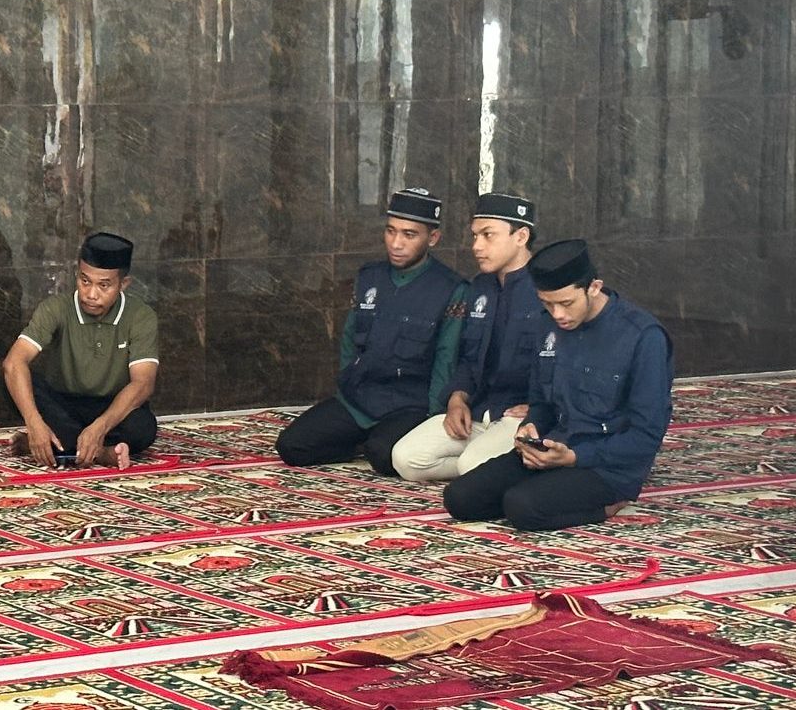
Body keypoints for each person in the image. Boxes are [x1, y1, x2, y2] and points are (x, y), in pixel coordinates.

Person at [443, 239, 674, 531]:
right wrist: (530, 428)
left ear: (594, 287)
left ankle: (608, 505)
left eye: (566, 303)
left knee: (522, 507)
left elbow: (647, 434)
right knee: (460, 498)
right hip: (554, 450)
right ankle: (547, 490)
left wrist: (575, 457)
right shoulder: (547, 325)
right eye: (547, 304)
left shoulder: (643, 336)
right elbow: (541, 402)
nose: (558, 315)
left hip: (606, 466)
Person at [275, 187, 467, 476]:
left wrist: (433, 415)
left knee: (384, 457)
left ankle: (373, 444)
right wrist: (347, 383)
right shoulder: (370, 277)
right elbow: (350, 339)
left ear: (433, 238)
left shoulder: (451, 288)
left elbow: (446, 357)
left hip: (409, 404)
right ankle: (357, 444)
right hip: (361, 399)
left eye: (409, 235)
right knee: (292, 446)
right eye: (391, 231)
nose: (396, 243)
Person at [393, 193, 547, 482]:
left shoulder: (548, 290)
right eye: (475, 236)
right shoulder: (480, 287)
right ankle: (492, 466)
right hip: (479, 409)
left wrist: (543, 407)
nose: (476, 246)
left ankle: (519, 462)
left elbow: (567, 361)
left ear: (521, 236)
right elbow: (469, 357)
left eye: (488, 235)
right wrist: (457, 398)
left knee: (471, 466)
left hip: (521, 416)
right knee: (406, 459)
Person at [2, 232, 159, 469]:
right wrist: (34, 423)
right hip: (62, 405)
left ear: (123, 284)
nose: (91, 294)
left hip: (110, 407)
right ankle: (100, 453)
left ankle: (60, 446)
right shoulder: (55, 308)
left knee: (142, 428)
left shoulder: (140, 316)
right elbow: (14, 362)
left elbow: (143, 383)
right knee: (15, 381)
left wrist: (100, 427)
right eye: (85, 281)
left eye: (104, 285)